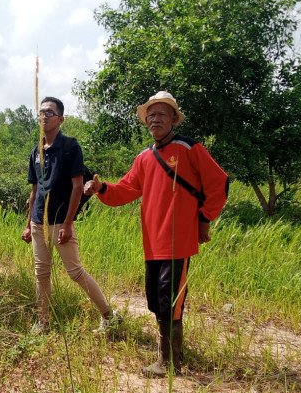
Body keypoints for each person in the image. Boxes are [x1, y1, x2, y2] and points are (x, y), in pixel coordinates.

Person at [85, 91, 228, 375]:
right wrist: (102, 189)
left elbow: (218, 184)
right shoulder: (144, 158)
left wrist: (203, 219)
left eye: (162, 114)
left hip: (178, 240)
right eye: (150, 115)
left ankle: (170, 362)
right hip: (152, 241)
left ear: (174, 118)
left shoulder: (189, 148)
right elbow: (125, 190)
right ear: (145, 122)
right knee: (156, 298)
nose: (155, 119)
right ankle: (166, 357)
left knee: (171, 301)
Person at [22, 96, 121, 334]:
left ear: (61, 119)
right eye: (41, 113)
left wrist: (68, 223)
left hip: (60, 222)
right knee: (41, 273)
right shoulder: (36, 151)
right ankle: (42, 322)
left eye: (49, 113)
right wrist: (28, 225)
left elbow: (78, 187)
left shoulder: (70, 146)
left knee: (75, 272)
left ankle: (109, 316)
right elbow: (34, 191)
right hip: (38, 223)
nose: (44, 117)